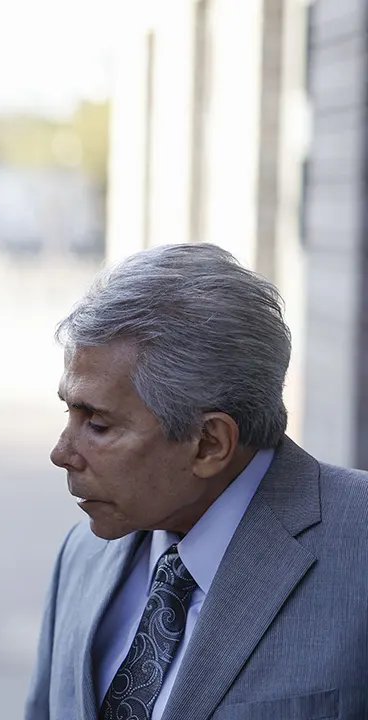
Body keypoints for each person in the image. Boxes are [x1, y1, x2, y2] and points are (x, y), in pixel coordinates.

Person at [26, 243, 368, 720]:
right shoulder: (81, 555)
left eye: (98, 425)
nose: (61, 453)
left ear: (209, 443)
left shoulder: (358, 550)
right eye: (70, 412)